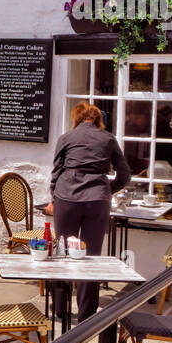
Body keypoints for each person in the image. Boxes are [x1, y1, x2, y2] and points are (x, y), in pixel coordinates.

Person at [50, 101, 131, 321]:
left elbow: (56, 172)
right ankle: (86, 315)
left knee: (63, 252)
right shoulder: (108, 139)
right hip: (97, 199)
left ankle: (60, 309)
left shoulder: (66, 138)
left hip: (67, 197)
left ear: (76, 117)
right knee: (90, 256)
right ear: (98, 119)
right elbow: (124, 175)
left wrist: (54, 197)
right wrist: (107, 190)